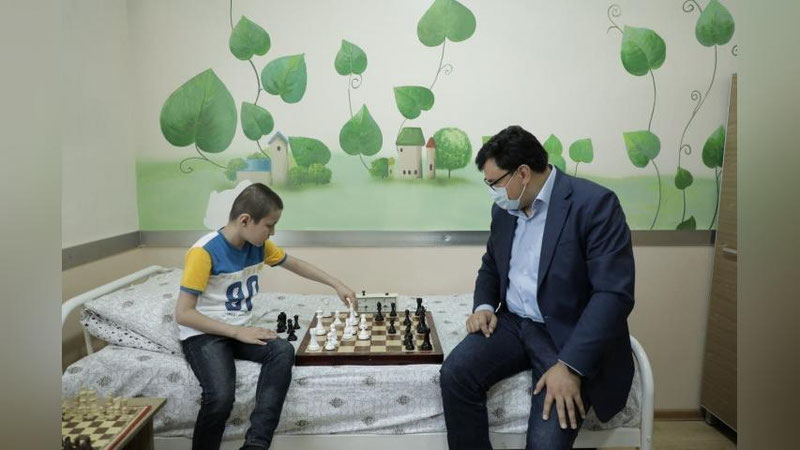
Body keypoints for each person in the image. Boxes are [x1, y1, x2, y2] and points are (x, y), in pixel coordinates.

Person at [440, 125, 636, 450]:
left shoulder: (594, 205)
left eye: (494, 182)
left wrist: (570, 366)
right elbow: (491, 265)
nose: (492, 191)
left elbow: (613, 295)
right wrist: (484, 306)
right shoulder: (506, 209)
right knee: (455, 374)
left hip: (566, 334)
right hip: (514, 323)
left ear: (523, 173)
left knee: (546, 441)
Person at [175, 182, 357, 450]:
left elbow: (295, 264)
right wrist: (237, 332)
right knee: (221, 397)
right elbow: (183, 313)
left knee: (282, 351)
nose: (273, 232)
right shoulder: (203, 252)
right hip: (205, 334)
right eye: (269, 225)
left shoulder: (258, 246)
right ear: (245, 220)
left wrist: (336, 284)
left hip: (239, 330)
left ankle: (256, 444)